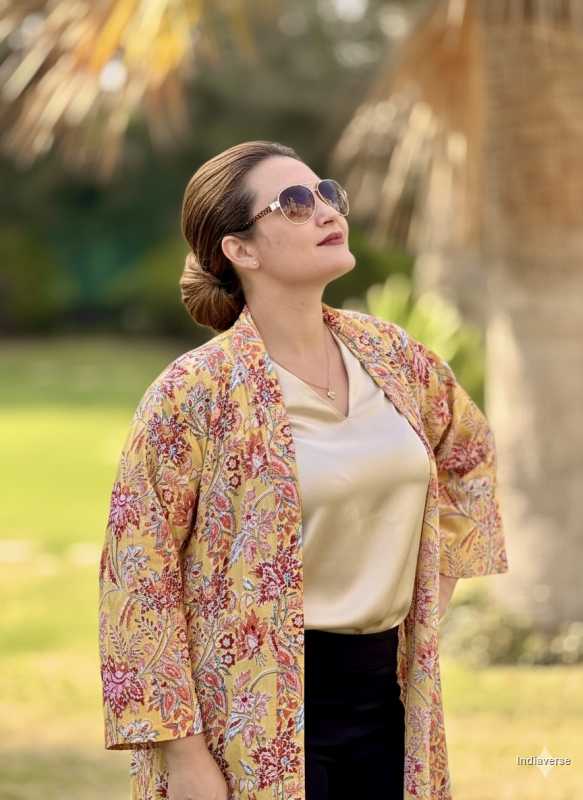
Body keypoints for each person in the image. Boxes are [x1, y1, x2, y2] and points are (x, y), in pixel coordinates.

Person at [98, 140, 509, 800]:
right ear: (240, 249)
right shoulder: (193, 393)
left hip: (389, 701)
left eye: (325, 193)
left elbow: (467, 458)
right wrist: (183, 756)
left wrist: (431, 602)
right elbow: (136, 576)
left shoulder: (392, 356)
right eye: (293, 203)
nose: (323, 211)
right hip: (248, 716)